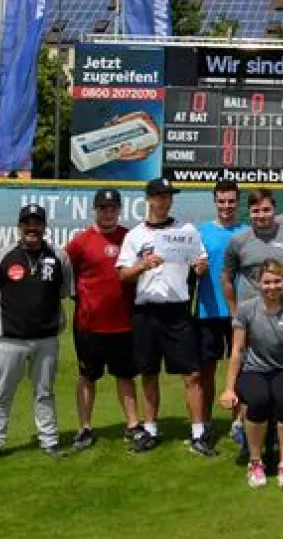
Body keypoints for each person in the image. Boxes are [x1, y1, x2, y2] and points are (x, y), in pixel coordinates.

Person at [117, 178, 213, 455]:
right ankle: (150, 430)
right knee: (148, 372)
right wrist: (143, 264)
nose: (163, 201)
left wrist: (200, 265)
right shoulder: (135, 235)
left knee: (192, 374)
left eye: (168, 196)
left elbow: (201, 265)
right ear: (149, 199)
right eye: (158, 196)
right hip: (146, 311)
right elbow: (123, 274)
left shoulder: (185, 230)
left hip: (177, 310)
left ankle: (197, 433)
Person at [0, 204, 76, 464]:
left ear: (45, 227)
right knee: (2, 393)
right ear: (19, 227)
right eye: (27, 223)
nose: (32, 228)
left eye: (37, 223)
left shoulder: (59, 257)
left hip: (46, 338)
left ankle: (49, 440)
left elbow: (64, 291)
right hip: (10, 338)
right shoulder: (1, 256)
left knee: (44, 392)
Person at [220, 260, 283, 488]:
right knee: (259, 400)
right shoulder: (246, 309)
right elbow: (237, 350)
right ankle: (255, 461)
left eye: (277, 281)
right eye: (267, 282)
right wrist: (229, 388)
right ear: (258, 283)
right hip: (254, 371)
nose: (272, 286)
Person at [65, 188, 143, 452]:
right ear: (95, 210)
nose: (108, 213)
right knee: (87, 376)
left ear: (119, 210)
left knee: (125, 376)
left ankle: (133, 424)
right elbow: (65, 273)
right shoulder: (81, 241)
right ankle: (85, 427)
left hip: (124, 322)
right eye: (103, 209)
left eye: (112, 208)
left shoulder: (130, 238)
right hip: (89, 324)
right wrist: (79, 299)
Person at [195, 180, 247, 441]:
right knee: (207, 370)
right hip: (208, 311)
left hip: (242, 312)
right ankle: (204, 421)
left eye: (231, 201)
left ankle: (238, 421)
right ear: (215, 201)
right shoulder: (201, 232)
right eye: (222, 201)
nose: (226, 206)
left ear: (238, 202)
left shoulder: (247, 232)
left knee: (241, 368)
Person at [223, 189, 283, 315]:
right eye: (256, 211)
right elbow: (226, 279)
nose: (261, 215)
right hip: (249, 316)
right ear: (249, 212)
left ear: (274, 210)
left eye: (266, 210)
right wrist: (234, 313)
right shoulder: (238, 240)